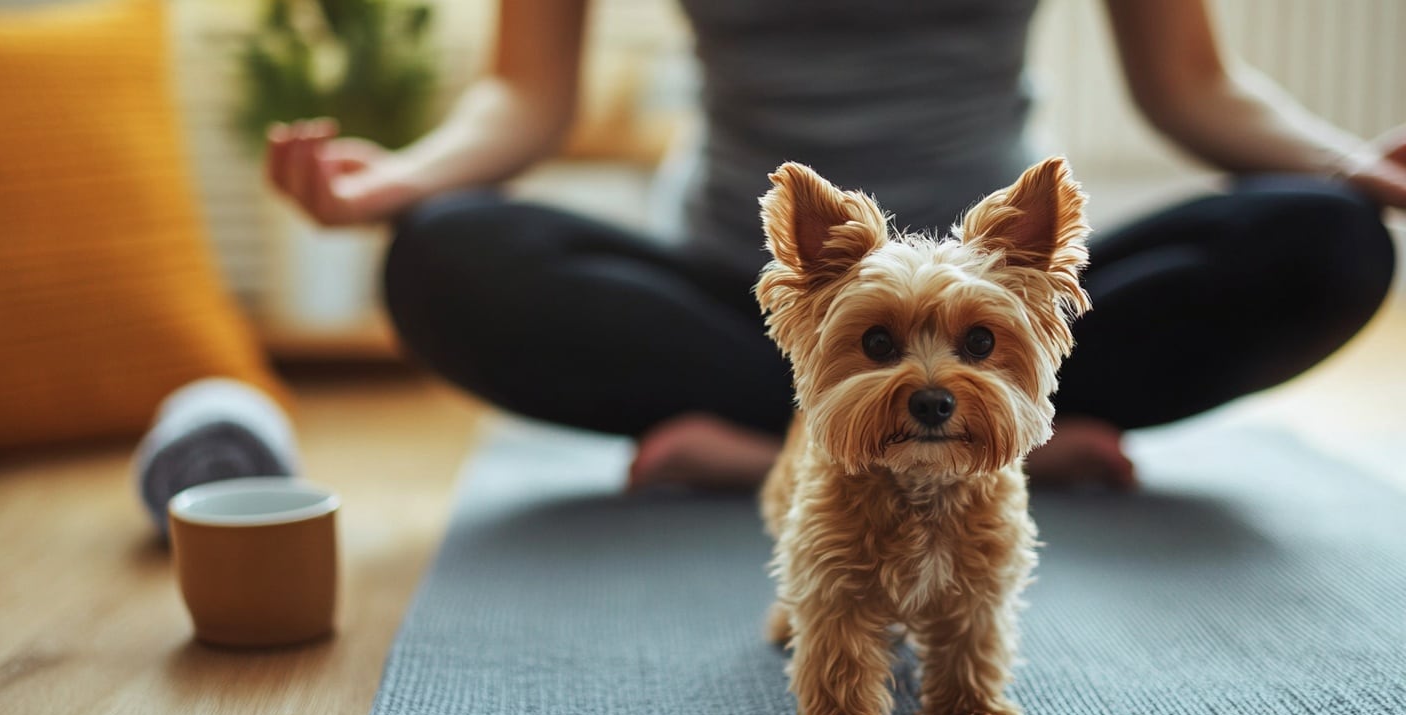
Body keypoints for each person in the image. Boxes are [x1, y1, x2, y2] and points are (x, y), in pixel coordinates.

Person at [265, 0, 1402, 491]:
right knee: (440, 255)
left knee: (1327, 237)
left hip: (988, 307)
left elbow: (1192, 88)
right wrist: (399, 181)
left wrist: (1350, 163)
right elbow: (524, 97)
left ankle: (832, 444)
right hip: (744, 303)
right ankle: (951, 450)